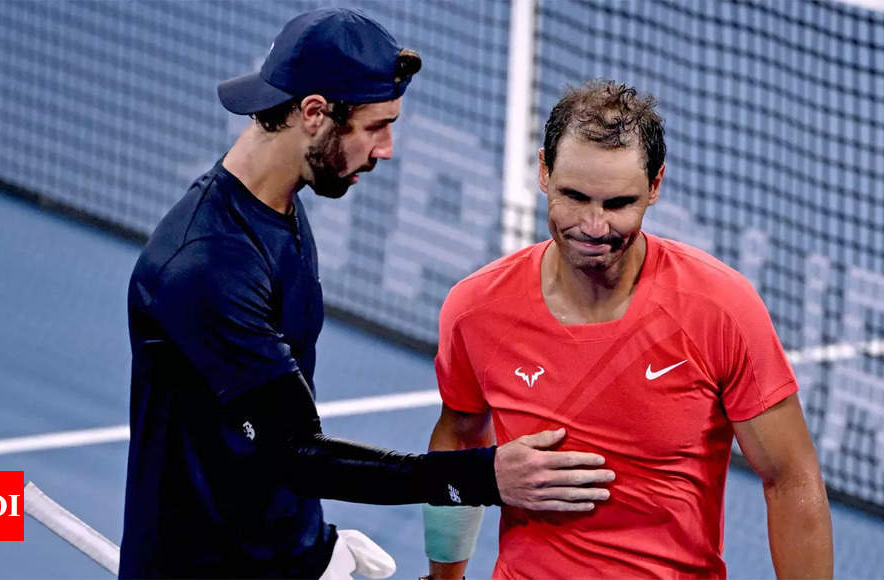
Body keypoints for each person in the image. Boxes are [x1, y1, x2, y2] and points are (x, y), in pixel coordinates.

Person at [119, 9, 614, 579]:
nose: (387, 149)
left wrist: (314, 547)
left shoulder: (277, 211)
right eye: (377, 126)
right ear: (313, 113)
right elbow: (295, 452)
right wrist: (484, 476)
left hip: (281, 555)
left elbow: (268, 441)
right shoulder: (207, 267)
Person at [423, 80, 834, 579]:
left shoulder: (720, 309)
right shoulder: (476, 309)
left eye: (618, 204)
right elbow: (459, 444)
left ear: (655, 186)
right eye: (575, 197)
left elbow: (790, 478)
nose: (594, 227)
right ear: (543, 172)